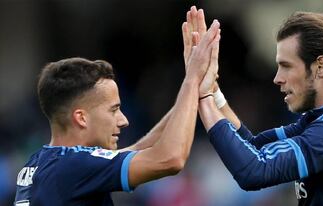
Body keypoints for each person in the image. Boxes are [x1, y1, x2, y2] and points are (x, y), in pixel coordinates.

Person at [190, 10, 323, 206]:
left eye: (286, 66)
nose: (277, 78)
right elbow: (252, 147)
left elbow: (253, 171)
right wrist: (214, 91)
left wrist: (204, 95)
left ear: (320, 66)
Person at [14, 12, 221, 205]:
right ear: (81, 118)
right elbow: (170, 159)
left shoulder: (41, 162)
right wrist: (193, 79)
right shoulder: (73, 166)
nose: (123, 120)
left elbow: (136, 152)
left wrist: (191, 88)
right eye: (113, 110)